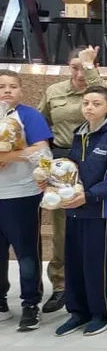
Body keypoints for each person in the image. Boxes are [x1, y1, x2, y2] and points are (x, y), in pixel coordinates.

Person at [37, 45, 107, 314]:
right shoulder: (54, 92)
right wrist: (45, 166)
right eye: (74, 67)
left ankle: (102, 281)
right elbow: (39, 127)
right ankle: (61, 286)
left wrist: (91, 67)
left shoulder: (102, 86)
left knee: (97, 229)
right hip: (62, 165)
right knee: (62, 229)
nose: (80, 73)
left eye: (85, 66)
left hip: (95, 164)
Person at [52, 86, 107, 337]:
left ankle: (101, 313)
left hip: (99, 211)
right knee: (73, 262)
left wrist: (89, 195)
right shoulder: (79, 133)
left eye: (96, 104)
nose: (89, 107)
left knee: (95, 265)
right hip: (74, 208)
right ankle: (78, 312)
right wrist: (56, 185)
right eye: (85, 103)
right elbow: (72, 171)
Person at [0, 69, 53, 331]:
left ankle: (30, 303)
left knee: (26, 253)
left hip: (21, 195)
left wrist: (8, 157)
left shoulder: (28, 116)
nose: (7, 91)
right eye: (2, 87)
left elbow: (41, 150)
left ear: (21, 91)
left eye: (13, 86)